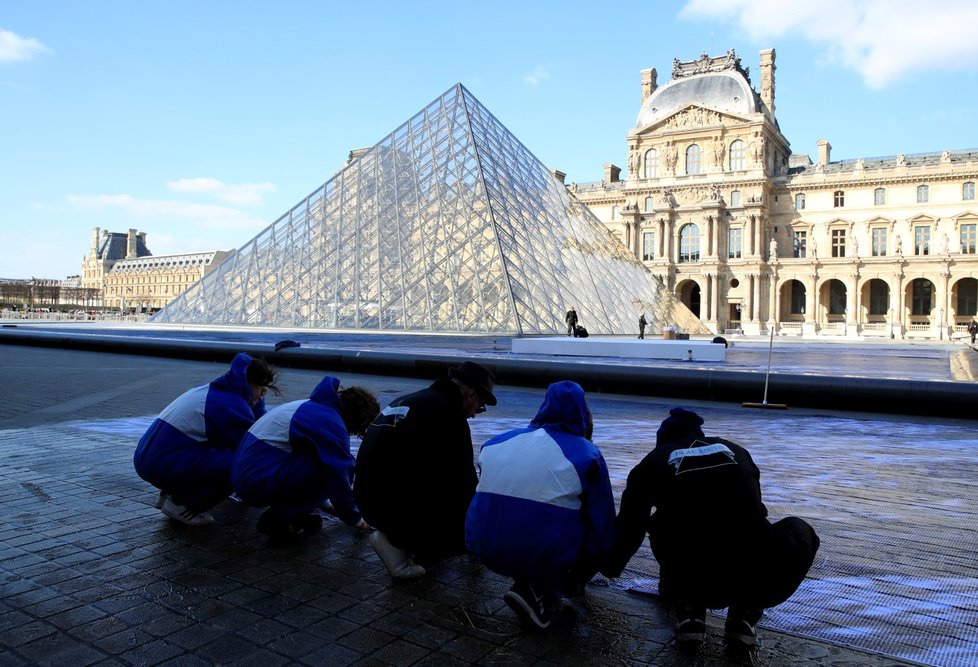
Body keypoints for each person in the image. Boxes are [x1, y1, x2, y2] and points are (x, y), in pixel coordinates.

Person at [604, 407, 819, 649]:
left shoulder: (654, 461)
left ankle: (689, 610)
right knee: (796, 528)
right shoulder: (736, 450)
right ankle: (744, 614)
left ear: (662, 441)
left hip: (693, 571)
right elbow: (756, 512)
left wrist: (609, 567)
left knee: (663, 522)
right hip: (749, 570)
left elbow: (630, 526)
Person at [465, 381, 617, 630]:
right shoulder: (587, 453)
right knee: (578, 520)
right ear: (583, 413)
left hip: (479, 545)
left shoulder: (495, 442)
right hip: (537, 550)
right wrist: (585, 572)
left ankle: (530, 581)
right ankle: (538, 589)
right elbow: (603, 524)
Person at [354, 361, 496, 579]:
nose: (476, 413)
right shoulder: (448, 414)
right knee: (463, 523)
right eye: (480, 405)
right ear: (470, 393)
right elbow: (463, 482)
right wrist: (477, 531)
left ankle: (399, 537)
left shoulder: (410, 400)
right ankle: (399, 544)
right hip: (389, 510)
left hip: (366, 500)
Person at [134, 353, 278, 526]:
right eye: (261, 390)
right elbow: (251, 443)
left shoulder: (213, 391)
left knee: (211, 447)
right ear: (250, 384)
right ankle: (183, 505)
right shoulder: (230, 404)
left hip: (149, 459)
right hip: (162, 465)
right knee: (240, 464)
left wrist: (256, 402)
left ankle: (167, 493)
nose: (262, 396)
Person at [231, 376, 379, 541]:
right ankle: (280, 519)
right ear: (356, 419)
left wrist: (326, 504)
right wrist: (355, 518)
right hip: (256, 480)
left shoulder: (311, 406)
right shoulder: (329, 421)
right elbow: (339, 473)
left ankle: (293, 518)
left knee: (323, 459)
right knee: (332, 466)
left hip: (247, 475)